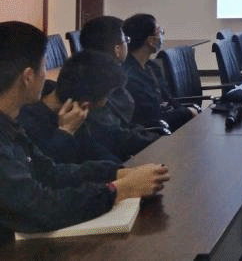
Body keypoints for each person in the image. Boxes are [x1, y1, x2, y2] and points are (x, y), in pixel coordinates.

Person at [0, 21, 169, 243]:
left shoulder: (10, 124)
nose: (46, 74)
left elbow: (50, 172)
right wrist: (118, 190)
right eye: (44, 66)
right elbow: (39, 207)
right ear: (28, 76)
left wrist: (116, 174)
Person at [17, 50, 123, 164]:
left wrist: (120, 169)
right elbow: (49, 170)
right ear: (85, 105)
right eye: (106, 97)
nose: (107, 102)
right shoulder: (26, 124)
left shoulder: (60, 94)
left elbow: (95, 150)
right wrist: (66, 132)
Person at [80, 16, 160, 159]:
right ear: (117, 49)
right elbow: (115, 134)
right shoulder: (102, 83)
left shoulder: (90, 72)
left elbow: (124, 126)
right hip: (112, 159)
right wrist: (156, 141)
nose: (128, 44)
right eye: (126, 40)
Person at [123, 14, 197, 132]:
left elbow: (169, 100)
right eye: (160, 32)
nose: (162, 35)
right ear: (151, 41)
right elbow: (152, 117)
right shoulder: (130, 76)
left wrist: (185, 111)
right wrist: (187, 113)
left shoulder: (152, 66)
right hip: (155, 131)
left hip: (167, 122)